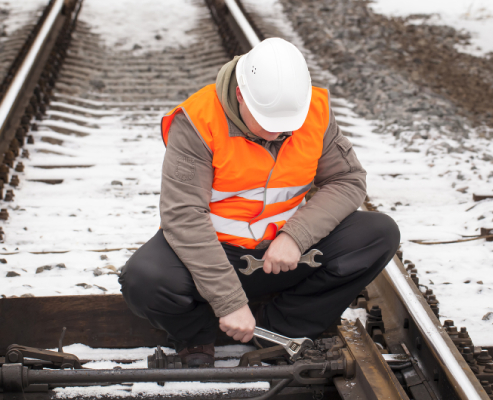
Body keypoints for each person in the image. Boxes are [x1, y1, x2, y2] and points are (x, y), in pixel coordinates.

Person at [119, 38, 399, 367]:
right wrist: (229, 301)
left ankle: (279, 330)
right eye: (267, 122)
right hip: (213, 254)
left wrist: (296, 236)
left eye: (287, 126)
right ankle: (196, 337)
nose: (278, 134)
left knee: (379, 233)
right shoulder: (198, 121)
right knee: (143, 279)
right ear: (240, 95)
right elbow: (183, 216)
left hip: (283, 257)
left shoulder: (312, 111)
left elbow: (347, 179)